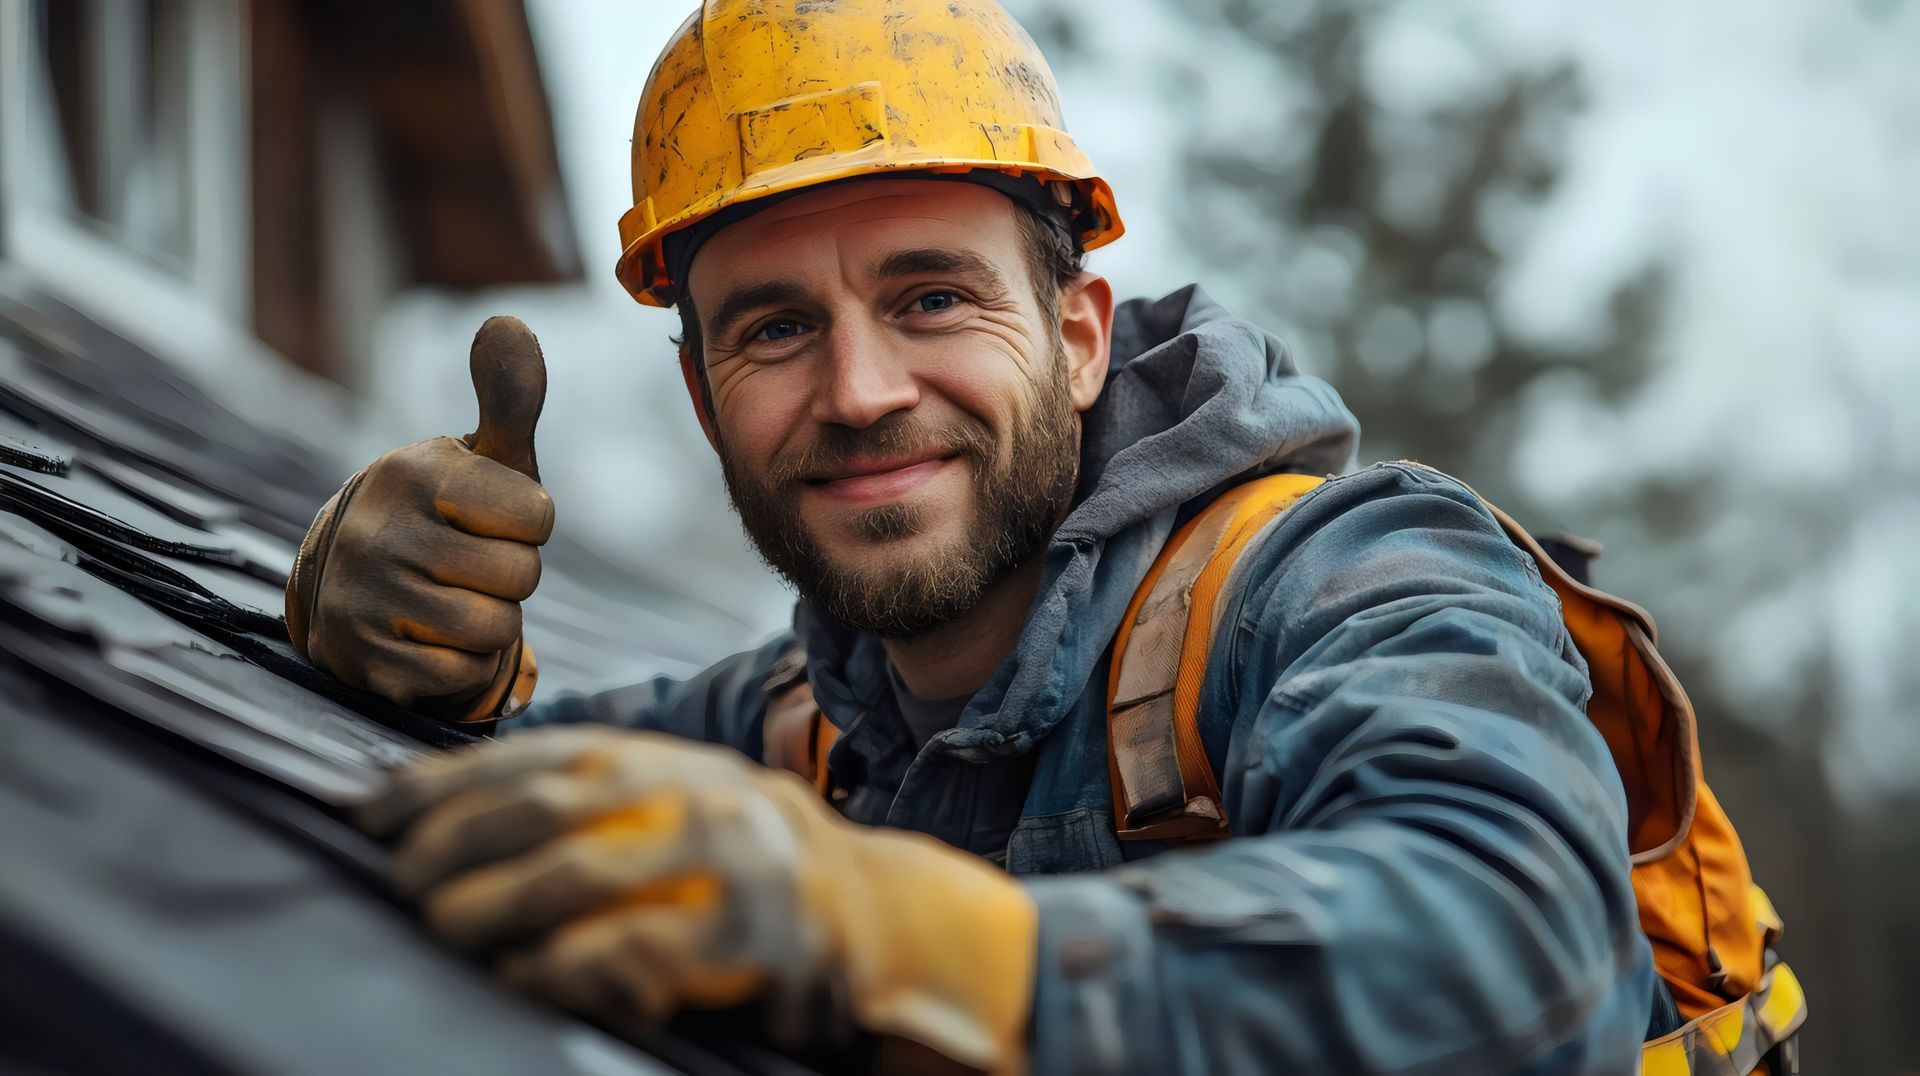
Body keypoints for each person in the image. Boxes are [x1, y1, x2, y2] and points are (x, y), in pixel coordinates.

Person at [287, 1, 1655, 1071]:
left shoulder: (1344, 583)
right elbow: (520, 800)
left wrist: (899, 938)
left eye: (933, 298)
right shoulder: (818, 719)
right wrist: (414, 644)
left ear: (1075, 341)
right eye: (774, 329)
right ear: (706, 401)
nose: (862, 393)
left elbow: (1533, 962)